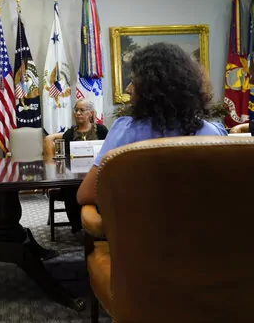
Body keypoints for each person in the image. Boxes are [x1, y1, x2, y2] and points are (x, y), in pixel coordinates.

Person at [77, 42, 227, 208]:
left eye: (133, 82)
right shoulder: (211, 133)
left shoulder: (124, 131)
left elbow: (86, 194)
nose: (127, 89)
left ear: (152, 88)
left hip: (139, 231)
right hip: (203, 231)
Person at [60, 100, 108, 233]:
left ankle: (99, 222)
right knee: (69, 189)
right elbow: (65, 160)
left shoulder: (101, 130)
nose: (78, 113)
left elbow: (109, 152)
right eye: (76, 110)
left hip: (97, 174)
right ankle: (77, 224)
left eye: (82, 110)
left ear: (90, 113)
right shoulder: (68, 134)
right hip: (74, 176)